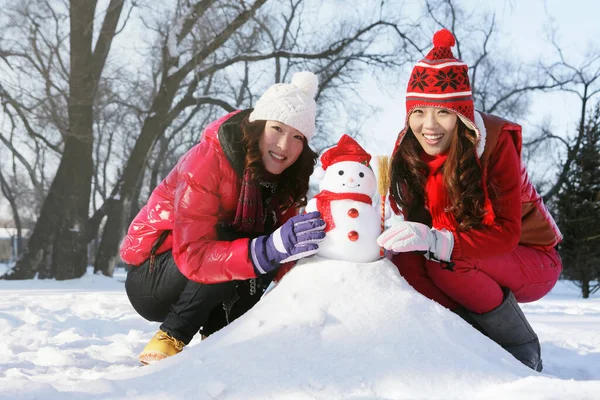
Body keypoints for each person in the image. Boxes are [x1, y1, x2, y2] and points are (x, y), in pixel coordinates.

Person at [377, 29, 562, 372]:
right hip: (463, 253)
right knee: (405, 263)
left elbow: (506, 233)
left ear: (461, 116)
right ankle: (466, 343)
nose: (428, 126)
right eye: (418, 112)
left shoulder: (493, 145)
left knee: (447, 262)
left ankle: (517, 343)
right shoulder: (410, 152)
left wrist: (435, 240)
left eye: (442, 113)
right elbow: (420, 229)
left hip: (531, 257)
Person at [120, 71, 326, 364]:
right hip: (155, 277)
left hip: (204, 274)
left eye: (297, 137)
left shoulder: (286, 182)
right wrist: (268, 248)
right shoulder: (208, 160)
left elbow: (278, 255)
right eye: (277, 129)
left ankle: (218, 337)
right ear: (258, 125)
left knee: (268, 246)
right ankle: (171, 335)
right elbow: (194, 253)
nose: (284, 146)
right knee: (249, 244)